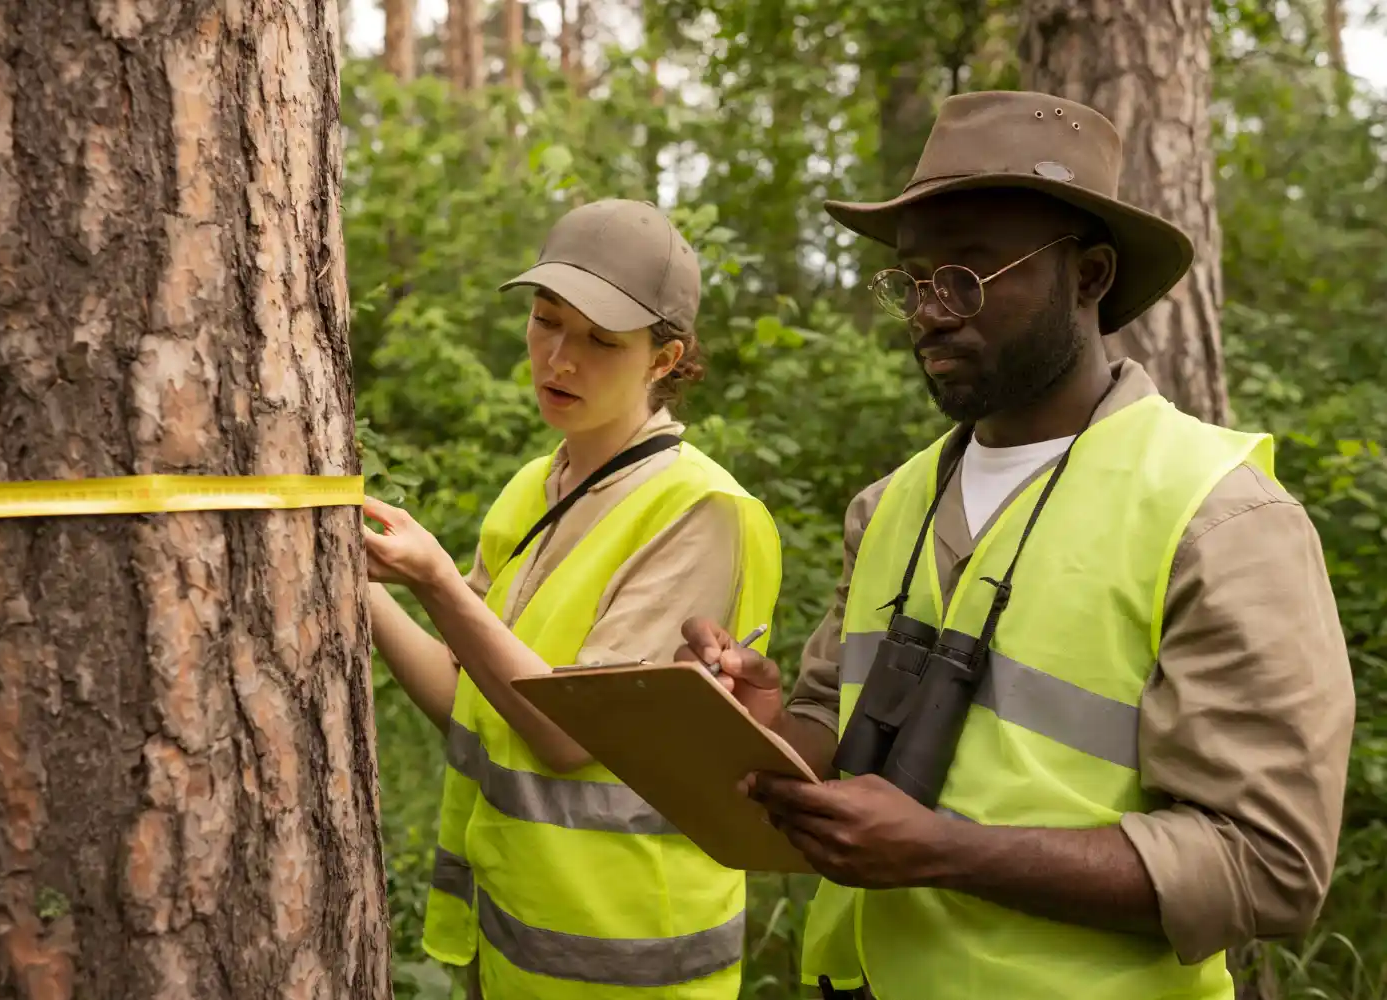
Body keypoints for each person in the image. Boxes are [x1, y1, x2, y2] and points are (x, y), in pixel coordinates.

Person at [678, 91, 1355, 1000]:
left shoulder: (1220, 518)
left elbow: (1268, 863)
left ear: (1090, 276)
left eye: (969, 274)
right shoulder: (890, 507)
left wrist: (950, 853)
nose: (929, 311)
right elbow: (836, 750)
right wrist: (762, 725)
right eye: (912, 280)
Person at [361, 198, 783, 1000]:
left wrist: (436, 582)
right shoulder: (535, 487)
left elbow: (563, 735)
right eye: (546, 321)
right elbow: (466, 699)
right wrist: (354, 583)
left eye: (600, 340)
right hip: (513, 942)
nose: (559, 358)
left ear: (665, 359)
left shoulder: (701, 514)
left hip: (637, 965)